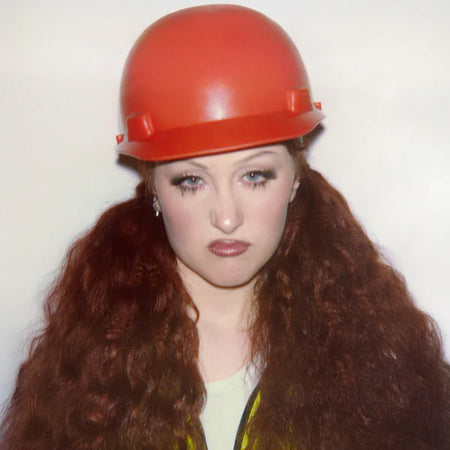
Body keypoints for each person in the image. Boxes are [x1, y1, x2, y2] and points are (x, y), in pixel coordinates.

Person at [1, 5, 448, 449]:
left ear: (296, 177)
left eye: (255, 176)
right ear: (151, 185)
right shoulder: (87, 368)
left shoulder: (372, 358)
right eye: (191, 181)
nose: (227, 217)